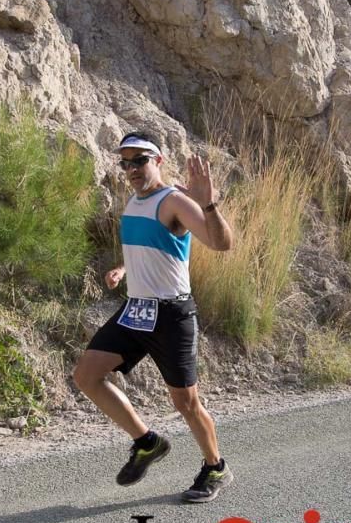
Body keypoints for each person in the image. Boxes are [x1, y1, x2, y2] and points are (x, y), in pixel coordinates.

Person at [72, 131, 235, 503]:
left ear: (158, 161)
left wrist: (208, 205)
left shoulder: (174, 201)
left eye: (139, 160)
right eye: (125, 162)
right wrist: (123, 269)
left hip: (172, 314)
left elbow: (222, 244)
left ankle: (216, 467)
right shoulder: (132, 202)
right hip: (137, 309)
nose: (131, 168)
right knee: (86, 375)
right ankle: (147, 442)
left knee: (185, 403)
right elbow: (149, 248)